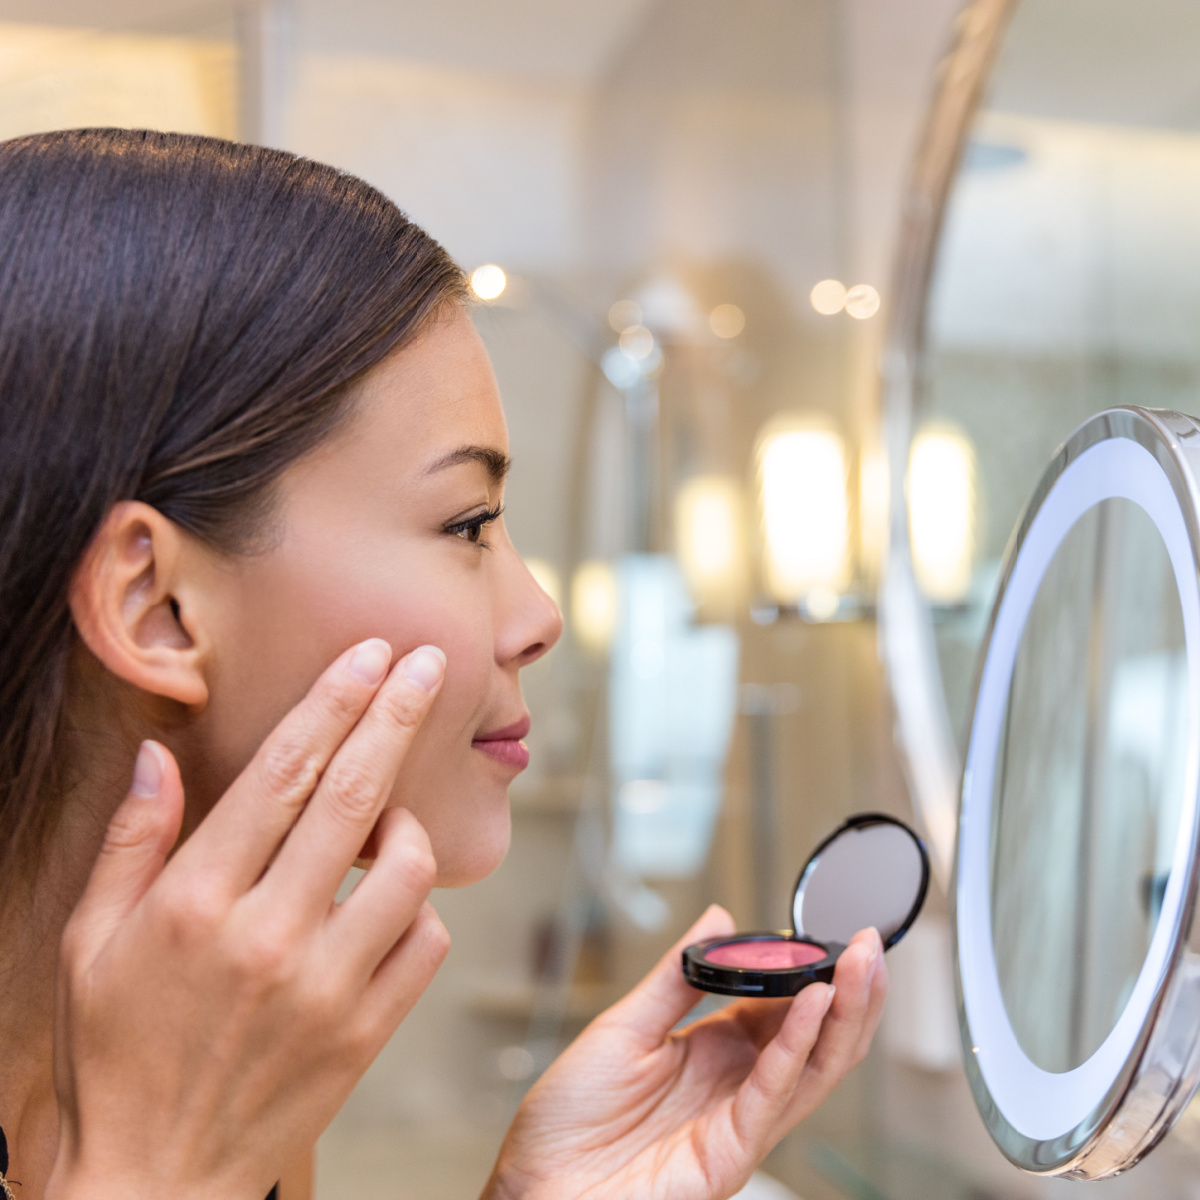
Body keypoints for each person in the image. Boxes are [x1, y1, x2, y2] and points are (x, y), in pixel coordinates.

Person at [0, 128, 887, 1200]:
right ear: (158, 607)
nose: (541, 616)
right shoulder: (200, 1093)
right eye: (468, 523)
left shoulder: (228, 1059)